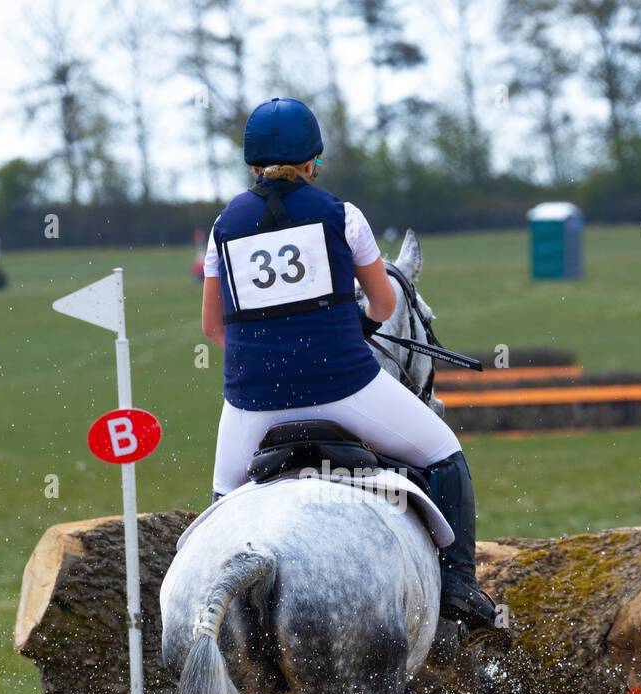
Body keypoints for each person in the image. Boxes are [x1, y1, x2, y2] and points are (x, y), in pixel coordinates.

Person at [200, 97, 495, 631]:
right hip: (346, 387)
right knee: (444, 452)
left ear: (252, 165)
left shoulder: (223, 226)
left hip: (251, 403)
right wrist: (348, 335)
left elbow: (213, 328)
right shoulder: (342, 214)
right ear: (314, 160)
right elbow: (383, 305)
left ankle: (222, 617)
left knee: (223, 505)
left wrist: (266, 361)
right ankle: (458, 587)